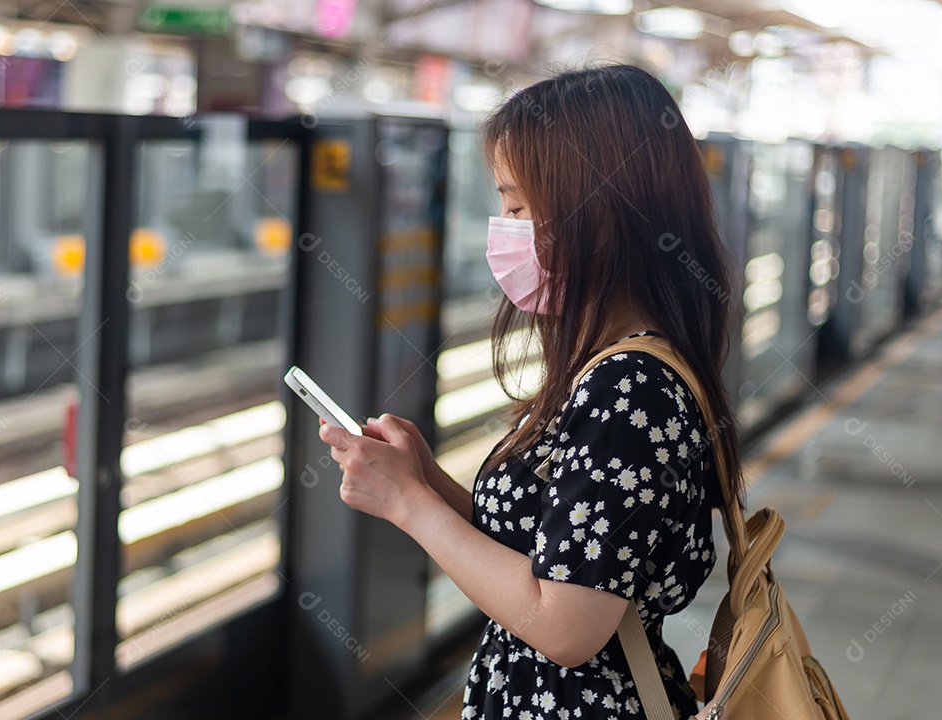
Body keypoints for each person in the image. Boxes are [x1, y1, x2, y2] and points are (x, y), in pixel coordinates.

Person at [318, 64, 744, 720]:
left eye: (518, 205)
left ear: (597, 210)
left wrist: (408, 506)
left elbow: (566, 626)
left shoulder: (629, 390)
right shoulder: (614, 367)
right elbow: (552, 554)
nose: (504, 226)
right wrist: (424, 480)